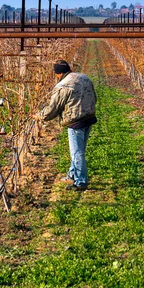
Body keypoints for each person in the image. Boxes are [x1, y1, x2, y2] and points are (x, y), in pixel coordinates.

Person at [38, 60, 97, 191]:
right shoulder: (84, 77)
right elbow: (95, 97)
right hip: (89, 117)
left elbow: (53, 109)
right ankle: (72, 174)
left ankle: (81, 181)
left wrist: (40, 116)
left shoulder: (63, 85)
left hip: (75, 122)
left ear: (58, 74)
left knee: (77, 152)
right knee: (80, 150)